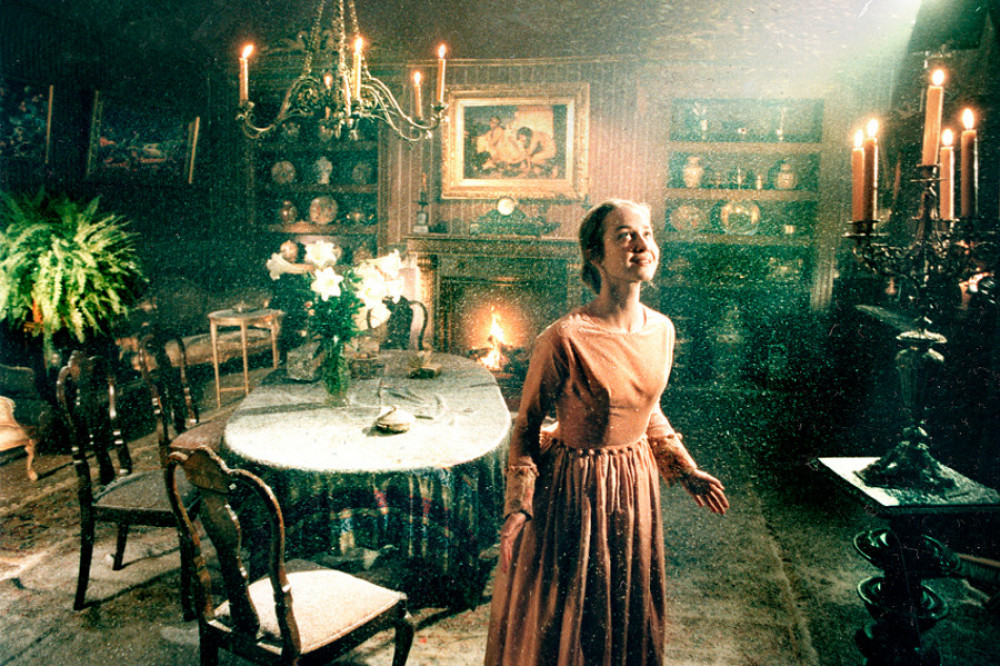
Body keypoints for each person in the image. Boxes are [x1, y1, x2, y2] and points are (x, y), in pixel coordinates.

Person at [484, 199, 730, 666]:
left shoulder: (663, 330)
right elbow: (527, 425)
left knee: (624, 602)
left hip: (635, 482)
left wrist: (685, 469)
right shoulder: (563, 337)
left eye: (647, 233)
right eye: (625, 235)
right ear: (595, 255)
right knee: (570, 611)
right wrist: (518, 506)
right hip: (575, 487)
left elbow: (648, 410)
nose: (642, 244)